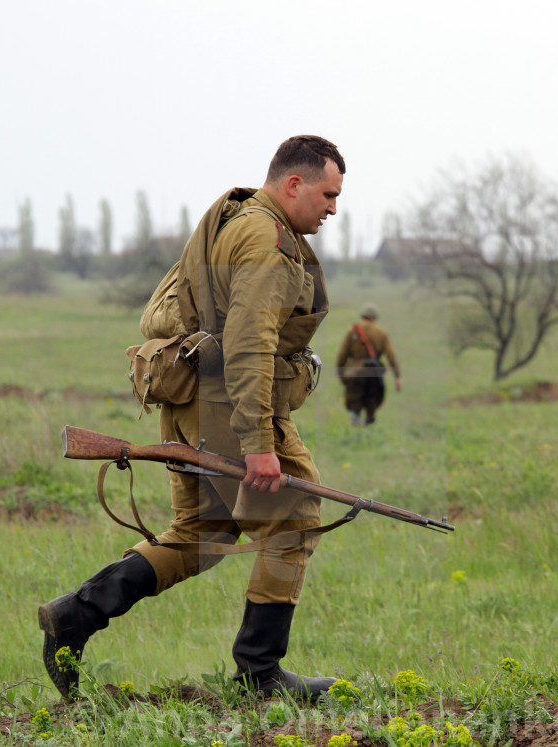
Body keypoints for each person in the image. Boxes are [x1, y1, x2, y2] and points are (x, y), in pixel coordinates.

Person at [38, 136, 345, 702]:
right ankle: (260, 675)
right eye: (327, 194)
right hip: (230, 403)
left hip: (198, 398)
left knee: (202, 534)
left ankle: (74, 616)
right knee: (296, 516)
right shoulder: (265, 238)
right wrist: (258, 445)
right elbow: (251, 344)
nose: (332, 208)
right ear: (294, 184)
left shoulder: (237, 216)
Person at [335, 304, 402, 426]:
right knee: (372, 396)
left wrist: (340, 372)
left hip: (355, 371)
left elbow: (342, 353)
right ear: (375, 317)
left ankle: (356, 419)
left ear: (362, 316)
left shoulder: (352, 331)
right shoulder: (381, 333)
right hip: (374, 371)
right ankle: (370, 419)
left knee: (354, 395)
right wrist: (397, 376)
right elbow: (391, 356)